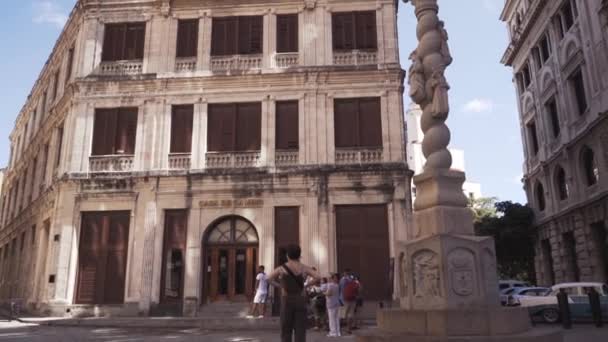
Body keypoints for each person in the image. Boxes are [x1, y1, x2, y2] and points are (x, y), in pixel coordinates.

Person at [267, 244, 321, 342]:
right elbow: (318, 277)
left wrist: (281, 286)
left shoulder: (281, 268)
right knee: (300, 329)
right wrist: (306, 285)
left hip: (286, 299)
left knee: (286, 329)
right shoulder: (304, 268)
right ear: (299, 255)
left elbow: (269, 279)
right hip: (300, 299)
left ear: (287, 255)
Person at [339, 269, 357, 334]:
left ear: (344, 273)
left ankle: (339, 329)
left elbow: (340, 289)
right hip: (353, 298)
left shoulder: (342, 280)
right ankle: (348, 329)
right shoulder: (353, 279)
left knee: (342, 314)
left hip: (344, 299)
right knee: (350, 314)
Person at [325, 273, 341, 337]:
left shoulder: (330, 285)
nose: (328, 278)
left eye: (329, 277)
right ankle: (338, 332)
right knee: (336, 318)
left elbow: (329, 294)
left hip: (331, 303)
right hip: (336, 303)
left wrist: (324, 293)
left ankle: (333, 332)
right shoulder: (337, 285)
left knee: (331, 319)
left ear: (332, 278)